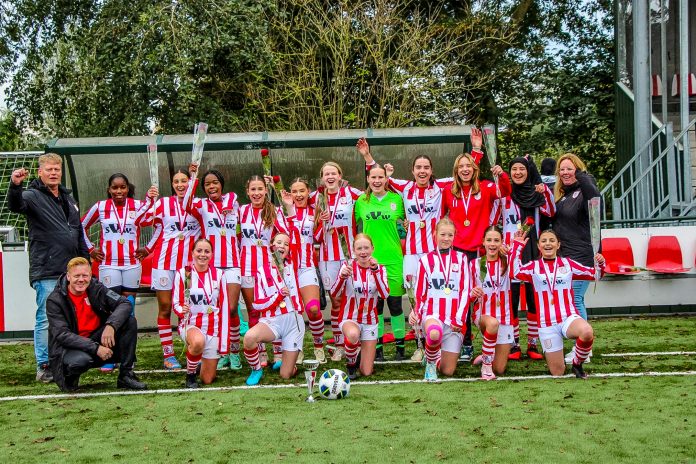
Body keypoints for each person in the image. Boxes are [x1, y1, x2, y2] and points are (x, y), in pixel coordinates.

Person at [356, 137, 453, 362]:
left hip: (432, 254)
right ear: (412, 170)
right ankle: (418, 343)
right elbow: (379, 177)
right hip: (409, 254)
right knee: (411, 298)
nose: (422, 171)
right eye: (418, 167)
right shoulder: (404, 188)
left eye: (426, 167)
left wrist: (476, 150)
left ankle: (435, 340)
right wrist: (368, 157)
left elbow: (462, 173)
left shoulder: (440, 186)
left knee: (431, 296)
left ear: (431, 170)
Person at [8, 153, 91, 383]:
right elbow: (16, 206)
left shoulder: (68, 199)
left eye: (57, 169)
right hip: (47, 269)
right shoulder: (32, 195)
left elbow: (78, 234)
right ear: (40, 172)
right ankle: (43, 366)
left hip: (72, 270)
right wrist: (15, 185)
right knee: (45, 318)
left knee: (70, 318)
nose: (53, 173)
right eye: (49, 169)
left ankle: (64, 361)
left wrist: (86, 264)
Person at [81, 173, 158, 372]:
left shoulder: (138, 205)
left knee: (129, 309)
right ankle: (108, 354)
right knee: (110, 309)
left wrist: (148, 248)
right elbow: (81, 226)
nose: (119, 191)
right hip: (109, 265)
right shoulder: (100, 207)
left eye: (122, 187)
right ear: (109, 190)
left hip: (132, 264)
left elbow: (158, 223)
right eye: (115, 188)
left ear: (127, 188)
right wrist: (90, 249)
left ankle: (127, 354)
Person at [443, 149, 511, 362]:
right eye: (461, 166)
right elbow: (443, 217)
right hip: (458, 253)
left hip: (480, 252)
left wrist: (501, 175)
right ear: (456, 170)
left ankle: (490, 343)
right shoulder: (449, 191)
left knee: (482, 296)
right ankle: (466, 343)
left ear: (474, 169)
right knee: (462, 297)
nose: (465, 169)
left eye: (469, 166)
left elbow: (505, 191)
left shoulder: (486, 186)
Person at [512, 229, 605, 378]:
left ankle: (577, 364)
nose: (548, 243)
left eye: (551, 240)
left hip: (567, 318)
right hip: (547, 324)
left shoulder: (568, 264)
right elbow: (514, 273)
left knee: (587, 332)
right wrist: (517, 247)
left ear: (558, 245)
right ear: (538, 246)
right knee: (558, 372)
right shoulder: (533, 267)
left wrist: (600, 263)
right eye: (544, 241)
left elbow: (594, 274)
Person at [46, 257, 146, 392]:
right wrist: (96, 348)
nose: (81, 279)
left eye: (85, 275)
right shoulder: (55, 300)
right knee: (80, 362)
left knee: (129, 321)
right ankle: (69, 376)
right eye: (76, 276)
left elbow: (124, 303)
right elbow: (62, 335)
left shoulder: (96, 287)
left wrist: (111, 325)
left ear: (90, 275)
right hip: (70, 348)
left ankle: (126, 375)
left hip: (95, 338)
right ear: (68, 276)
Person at [490, 156, 555, 360]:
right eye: (514, 169)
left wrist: (546, 193)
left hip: (533, 254)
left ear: (528, 171)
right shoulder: (504, 195)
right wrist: (498, 244)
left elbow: (551, 211)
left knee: (533, 301)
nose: (518, 173)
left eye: (522, 169)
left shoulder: (536, 193)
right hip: (510, 255)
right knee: (512, 301)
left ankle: (533, 344)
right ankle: (514, 344)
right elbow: (492, 221)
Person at [183, 168, 244, 371]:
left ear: (221, 184)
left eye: (215, 182)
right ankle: (219, 352)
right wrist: (193, 179)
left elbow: (234, 196)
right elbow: (186, 203)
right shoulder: (202, 205)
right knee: (215, 312)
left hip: (233, 264)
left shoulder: (233, 201)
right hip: (212, 267)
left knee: (232, 309)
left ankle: (234, 352)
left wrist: (226, 204)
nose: (211, 186)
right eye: (207, 184)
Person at [145, 168, 201, 369]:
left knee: (186, 310)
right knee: (166, 308)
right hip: (163, 264)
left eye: (184, 180)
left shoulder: (198, 205)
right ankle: (168, 354)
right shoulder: (163, 203)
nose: (180, 185)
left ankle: (191, 350)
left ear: (190, 182)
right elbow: (141, 221)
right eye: (176, 181)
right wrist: (149, 200)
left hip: (187, 267)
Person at [238, 176, 295, 368]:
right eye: (252, 189)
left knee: (275, 309)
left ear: (265, 190)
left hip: (269, 268)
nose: (256, 193)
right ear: (247, 192)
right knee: (254, 309)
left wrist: (281, 194)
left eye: (260, 189)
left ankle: (278, 354)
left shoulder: (274, 211)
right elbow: (236, 236)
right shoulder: (241, 211)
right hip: (246, 266)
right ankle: (261, 354)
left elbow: (286, 233)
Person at [353, 164, 407, 361]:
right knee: (375, 307)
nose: (377, 181)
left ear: (386, 179)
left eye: (380, 177)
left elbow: (409, 222)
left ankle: (401, 349)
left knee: (395, 305)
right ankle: (378, 348)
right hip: (370, 261)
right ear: (368, 179)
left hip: (394, 260)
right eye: (373, 177)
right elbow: (350, 227)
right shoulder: (361, 202)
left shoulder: (396, 200)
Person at [552, 154, 601, 363]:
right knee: (571, 301)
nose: (565, 173)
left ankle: (584, 347)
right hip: (566, 258)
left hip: (581, 257)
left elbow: (595, 194)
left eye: (569, 169)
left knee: (576, 299)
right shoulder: (564, 196)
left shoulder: (584, 192)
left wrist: (581, 174)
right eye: (562, 170)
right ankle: (581, 344)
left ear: (578, 170)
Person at [409, 218, 471, 382]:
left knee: (448, 371)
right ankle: (430, 363)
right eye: (443, 234)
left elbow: (465, 290)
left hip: (454, 321)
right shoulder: (425, 260)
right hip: (433, 314)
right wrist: (415, 312)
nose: (446, 238)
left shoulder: (462, 258)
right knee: (434, 333)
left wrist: (459, 319)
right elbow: (420, 293)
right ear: (435, 235)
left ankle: (433, 357)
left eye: (450, 235)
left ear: (454, 236)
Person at [313, 162, 363, 361]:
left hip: (349, 255)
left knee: (352, 299)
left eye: (334, 173)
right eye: (327, 174)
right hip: (328, 258)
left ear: (340, 176)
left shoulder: (351, 192)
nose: (330, 177)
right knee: (336, 301)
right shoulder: (316, 197)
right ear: (322, 177)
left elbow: (373, 196)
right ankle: (339, 344)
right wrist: (323, 221)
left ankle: (354, 341)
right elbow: (315, 234)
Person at [243, 233, 304, 386]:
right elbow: (257, 304)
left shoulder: (293, 265)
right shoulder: (261, 271)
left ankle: (289, 364)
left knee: (285, 375)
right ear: (271, 246)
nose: (282, 246)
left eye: (286, 244)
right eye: (278, 242)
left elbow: (297, 234)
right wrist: (278, 297)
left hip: (293, 323)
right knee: (249, 338)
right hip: (272, 322)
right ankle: (256, 369)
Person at [330, 233, 389, 380]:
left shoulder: (380, 269)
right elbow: (334, 292)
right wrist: (342, 277)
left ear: (372, 249)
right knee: (353, 334)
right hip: (350, 317)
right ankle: (350, 365)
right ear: (354, 250)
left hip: (370, 320)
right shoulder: (347, 266)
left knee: (367, 372)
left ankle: (359, 353)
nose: (363, 252)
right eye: (359, 248)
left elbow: (384, 294)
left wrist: (375, 272)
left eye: (366, 248)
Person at [172, 238, 230, 388]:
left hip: (213, 329)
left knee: (207, 379)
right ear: (192, 253)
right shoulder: (184, 274)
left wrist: (223, 342)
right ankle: (190, 376)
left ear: (212, 254)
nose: (202, 255)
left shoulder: (219, 275)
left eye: (206, 251)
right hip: (191, 325)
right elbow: (176, 303)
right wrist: (181, 310)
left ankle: (197, 361)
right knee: (198, 342)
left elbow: (224, 306)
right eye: (199, 251)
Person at [469, 227, 517, 379]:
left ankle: (486, 356)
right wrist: (472, 293)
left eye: (496, 240)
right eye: (489, 240)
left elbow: (519, 270)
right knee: (493, 323)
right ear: (483, 242)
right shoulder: (476, 264)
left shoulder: (507, 263)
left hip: (505, 317)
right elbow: (466, 293)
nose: (492, 244)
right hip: (483, 315)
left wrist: (513, 249)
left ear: (502, 242)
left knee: (500, 369)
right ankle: (486, 367)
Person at [287, 178, 326, 363]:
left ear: (308, 191)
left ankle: (319, 347)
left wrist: (323, 223)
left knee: (313, 310)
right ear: (290, 194)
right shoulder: (282, 211)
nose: (299, 195)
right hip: (287, 269)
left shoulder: (314, 211)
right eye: (295, 191)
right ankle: (297, 349)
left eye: (302, 191)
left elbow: (317, 238)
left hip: (307, 266)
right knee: (294, 312)